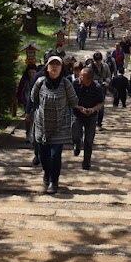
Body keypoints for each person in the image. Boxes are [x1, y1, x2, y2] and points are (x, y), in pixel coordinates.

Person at [30, 53, 78, 194]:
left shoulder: (66, 84)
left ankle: (53, 181)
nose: (55, 68)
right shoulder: (40, 82)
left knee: (55, 155)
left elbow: (74, 101)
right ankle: (46, 172)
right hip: (42, 125)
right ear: (47, 67)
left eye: (57, 65)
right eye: (52, 65)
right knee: (43, 156)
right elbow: (33, 98)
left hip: (60, 126)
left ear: (61, 68)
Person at [71, 66, 105, 170]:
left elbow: (101, 103)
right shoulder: (75, 84)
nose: (79, 78)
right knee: (75, 136)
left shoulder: (97, 88)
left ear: (89, 79)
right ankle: (77, 144)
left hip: (91, 116)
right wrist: (78, 107)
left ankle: (86, 163)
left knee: (89, 141)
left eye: (82, 76)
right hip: (77, 114)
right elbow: (70, 100)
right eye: (80, 75)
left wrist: (93, 109)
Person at [88, 52, 110, 128]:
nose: (98, 62)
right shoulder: (90, 67)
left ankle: (99, 122)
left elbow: (108, 76)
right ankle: (92, 121)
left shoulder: (105, 66)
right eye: (96, 61)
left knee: (101, 105)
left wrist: (106, 82)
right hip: (93, 88)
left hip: (102, 88)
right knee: (92, 105)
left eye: (99, 60)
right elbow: (88, 78)